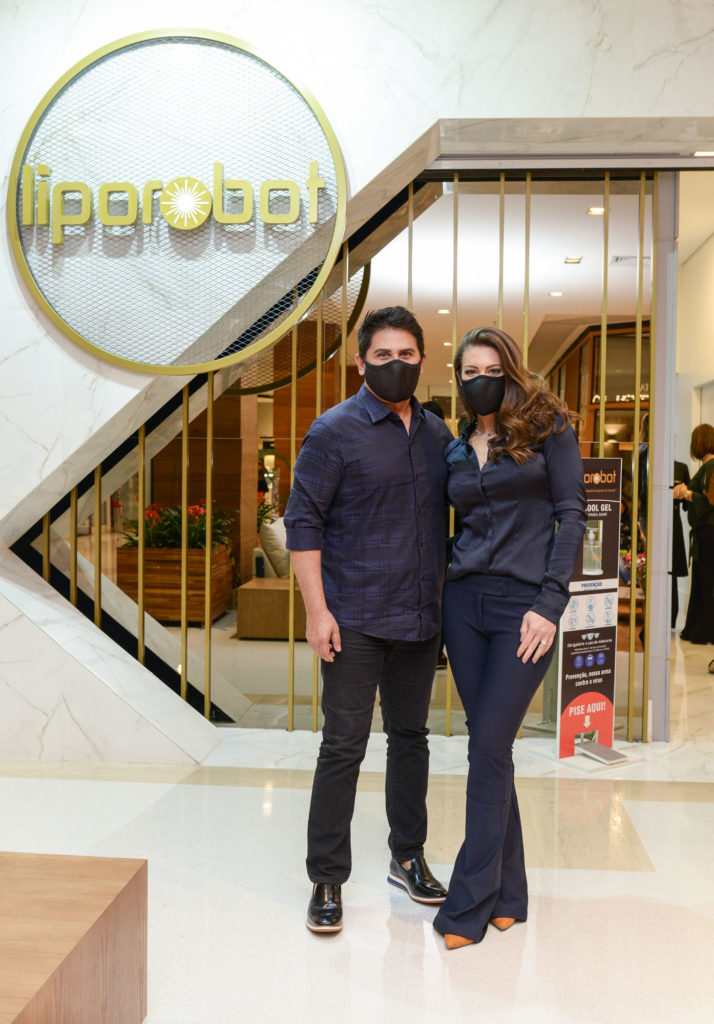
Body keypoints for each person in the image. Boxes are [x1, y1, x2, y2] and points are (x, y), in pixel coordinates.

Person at [284, 305, 453, 934]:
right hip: (352, 618)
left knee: (411, 740)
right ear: (361, 362)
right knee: (343, 746)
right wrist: (316, 612)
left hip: (419, 618)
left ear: (422, 360)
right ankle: (327, 877)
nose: (395, 364)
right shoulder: (333, 431)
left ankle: (407, 857)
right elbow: (303, 524)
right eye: (383, 355)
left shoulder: (438, 434)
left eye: (406, 355)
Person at [432, 326, 586, 949]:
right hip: (463, 605)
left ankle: (467, 903)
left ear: (512, 371)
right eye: (469, 372)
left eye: (491, 370)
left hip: (524, 610)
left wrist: (550, 604)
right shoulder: (456, 448)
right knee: (489, 746)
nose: (480, 380)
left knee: (489, 746)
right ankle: (510, 894)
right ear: (459, 379)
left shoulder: (548, 428)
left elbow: (571, 515)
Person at [674, 423, 714, 644]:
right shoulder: (707, 467)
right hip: (704, 534)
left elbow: (709, 501)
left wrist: (687, 494)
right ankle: (694, 629)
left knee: (705, 583)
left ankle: (702, 631)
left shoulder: (712, 466)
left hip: (708, 533)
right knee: (700, 582)